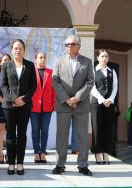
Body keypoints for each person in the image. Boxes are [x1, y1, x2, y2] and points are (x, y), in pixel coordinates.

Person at [52, 35, 94, 176]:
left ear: (79, 46)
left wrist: (77, 97)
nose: (69, 46)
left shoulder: (87, 62)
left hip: (81, 105)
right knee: (61, 137)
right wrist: (66, 99)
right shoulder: (58, 61)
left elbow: (90, 81)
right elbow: (55, 81)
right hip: (63, 105)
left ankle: (83, 165)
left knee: (82, 136)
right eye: (67, 44)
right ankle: (60, 164)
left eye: (72, 44)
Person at [0, 39, 37, 175]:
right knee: (10, 135)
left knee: (21, 135)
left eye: (20, 48)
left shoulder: (30, 65)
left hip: (25, 106)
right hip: (9, 106)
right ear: (11, 50)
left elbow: (33, 85)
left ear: (24, 50)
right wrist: (14, 98)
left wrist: (24, 99)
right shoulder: (6, 65)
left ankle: (20, 163)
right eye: (15, 48)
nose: (18, 50)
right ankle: (10, 164)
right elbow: (3, 85)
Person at [91, 49, 118, 165]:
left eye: (106, 56)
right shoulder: (93, 71)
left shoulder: (112, 71)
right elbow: (92, 88)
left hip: (110, 104)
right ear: (98, 58)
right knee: (97, 129)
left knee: (108, 128)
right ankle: (97, 153)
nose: (104, 58)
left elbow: (115, 87)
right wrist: (102, 100)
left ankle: (106, 153)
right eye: (102, 56)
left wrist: (110, 100)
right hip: (97, 104)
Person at [30, 52, 55, 164]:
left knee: (44, 130)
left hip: (47, 106)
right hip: (34, 106)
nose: (43, 59)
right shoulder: (31, 72)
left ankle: (43, 152)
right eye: (40, 57)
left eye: (44, 57)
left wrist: (53, 103)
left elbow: (54, 89)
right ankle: (36, 152)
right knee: (35, 130)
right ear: (35, 59)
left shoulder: (51, 72)